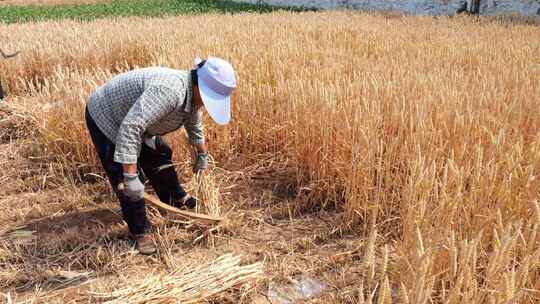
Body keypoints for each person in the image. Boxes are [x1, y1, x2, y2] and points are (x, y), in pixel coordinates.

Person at [85, 57, 236, 255]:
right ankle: (140, 231)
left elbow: (193, 122)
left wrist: (202, 153)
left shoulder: (192, 95)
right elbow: (131, 128)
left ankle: (173, 199)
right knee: (128, 180)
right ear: (200, 85)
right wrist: (130, 176)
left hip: (136, 122)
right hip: (108, 117)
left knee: (161, 153)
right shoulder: (170, 91)